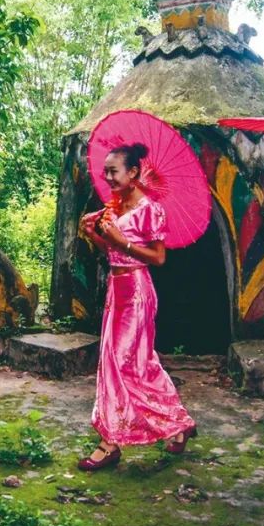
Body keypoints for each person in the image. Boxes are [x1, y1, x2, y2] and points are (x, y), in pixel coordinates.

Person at [76, 143, 198, 472]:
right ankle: (179, 422)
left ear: (133, 173)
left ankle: (109, 443)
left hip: (138, 291)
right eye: (106, 172)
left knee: (120, 362)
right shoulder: (112, 209)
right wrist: (97, 235)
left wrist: (120, 240)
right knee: (137, 363)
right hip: (116, 291)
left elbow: (158, 258)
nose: (108, 177)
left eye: (114, 171)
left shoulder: (150, 209)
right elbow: (110, 254)